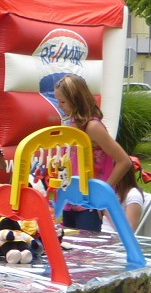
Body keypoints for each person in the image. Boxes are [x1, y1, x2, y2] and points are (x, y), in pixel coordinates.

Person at [53, 74, 132, 232]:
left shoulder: (93, 127)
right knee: (70, 250)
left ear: (76, 100)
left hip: (89, 205)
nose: (59, 105)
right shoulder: (74, 124)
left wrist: (102, 193)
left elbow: (124, 161)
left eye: (63, 101)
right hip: (71, 200)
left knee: (87, 253)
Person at [103, 156, 151, 235]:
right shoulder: (113, 191)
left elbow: (129, 231)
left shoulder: (133, 195)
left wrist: (105, 210)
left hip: (113, 240)